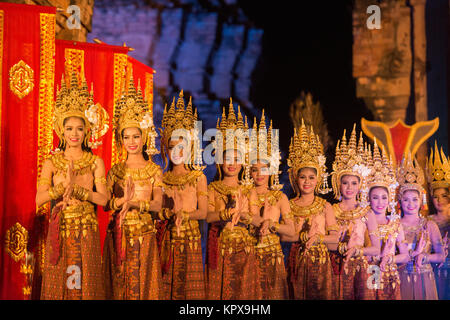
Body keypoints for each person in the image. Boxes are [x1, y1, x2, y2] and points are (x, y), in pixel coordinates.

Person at [35, 73, 109, 299]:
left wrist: (79, 190)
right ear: (61, 131)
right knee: (62, 284)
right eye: (69, 129)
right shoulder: (51, 162)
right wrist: (59, 189)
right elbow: (39, 199)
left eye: (79, 128)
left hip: (86, 229)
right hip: (62, 227)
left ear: (86, 130)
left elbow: (104, 200)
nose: (74, 134)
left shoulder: (95, 161)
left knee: (83, 286)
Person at [102, 77, 163, 299]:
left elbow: (157, 204)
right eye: (126, 137)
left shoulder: (154, 171)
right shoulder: (115, 170)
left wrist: (134, 202)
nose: (131, 141)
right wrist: (119, 202)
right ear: (121, 139)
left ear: (144, 136)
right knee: (118, 287)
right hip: (118, 234)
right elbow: (105, 204)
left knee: (144, 288)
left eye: (136, 136)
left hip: (145, 235)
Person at [205, 100, 260, 299]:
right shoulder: (212, 188)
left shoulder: (248, 189)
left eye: (237, 159)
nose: (232, 164)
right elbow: (207, 216)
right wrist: (224, 214)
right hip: (219, 246)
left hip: (244, 249)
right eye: (227, 158)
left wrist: (242, 215)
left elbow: (257, 220)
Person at [158, 91, 207, 300]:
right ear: (165, 150)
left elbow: (203, 212)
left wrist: (184, 215)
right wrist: (167, 213)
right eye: (172, 147)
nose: (177, 151)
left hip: (190, 238)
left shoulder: (198, 177)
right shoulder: (161, 177)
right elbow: (157, 209)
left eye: (182, 146)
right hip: (167, 237)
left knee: (189, 291)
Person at [281, 120, 338, 300]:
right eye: (303, 177)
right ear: (295, 179)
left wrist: (319, 238)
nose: (307, 181)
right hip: (296, 260)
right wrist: (305, 237)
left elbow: (335, 239)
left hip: (321, 262)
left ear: (318, 179)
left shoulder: (324, 206)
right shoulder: (289, 204)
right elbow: (285, 236)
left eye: (311, 177)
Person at [247, 112, 295, 300]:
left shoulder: (280, 197)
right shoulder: (244, 194)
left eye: (264, 169)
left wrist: (271, 224)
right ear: (249, 172)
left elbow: (291, 231)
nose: (259, 174)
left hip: (273, 254)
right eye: (254, 170)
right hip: (248, 252)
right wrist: (260, 220)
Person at [329, 125, 380, 300]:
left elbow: (376, 249)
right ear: (338, 184)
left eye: (353, 183)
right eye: (345, 183)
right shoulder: (331, 210)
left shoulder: (367, 212)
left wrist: (358, 249)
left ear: (360, 186)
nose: (349, 188)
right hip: (333, 266)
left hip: (360, 269)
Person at [363, 141, 408, 300]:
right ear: (368, 199)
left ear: (390, 200)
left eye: (384, 198)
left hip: (390, 275)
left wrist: (390, 259)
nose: (380, 202)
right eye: (375, 198)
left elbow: (405, 256)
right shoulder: (364, 221)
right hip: (370, 272)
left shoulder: (395, 224)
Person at [396, 153, 445, 300]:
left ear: (421, 200)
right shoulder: (395, 226)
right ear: (400, 201)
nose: (411, 204)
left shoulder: (430, 225)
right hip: (401, 277)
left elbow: (441, 255)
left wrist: (425, 257)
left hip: (425, 279)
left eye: (414, 199)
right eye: (406, 200)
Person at [426, 142, 450, 299]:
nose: (439, 200)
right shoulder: (427, 220)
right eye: (435, 197)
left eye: (444, 195)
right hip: (435, 269)